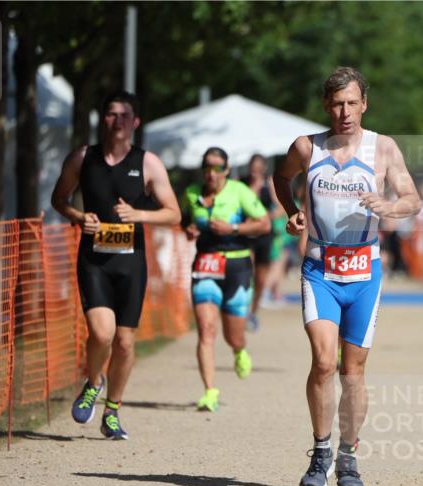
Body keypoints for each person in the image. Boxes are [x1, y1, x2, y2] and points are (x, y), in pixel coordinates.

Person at [273, 66, 420, 486]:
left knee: (352, 372)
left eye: (352, 103)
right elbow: (283, 179)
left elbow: (412, 199)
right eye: (337, 104)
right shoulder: (306, 147)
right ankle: (321, 453)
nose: (345, 112)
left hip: (364, 272)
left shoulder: (384, 148)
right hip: (320, 269)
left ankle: (349, 458)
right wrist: (291, 211)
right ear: (326, 106)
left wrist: (388, 206)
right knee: (323, 362)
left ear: (364, 104)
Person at [51, 90, 182, 440]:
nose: (118, 121)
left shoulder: (148, 163)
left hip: (131, 264)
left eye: (125, 115)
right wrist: (79, 217)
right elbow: (58, 198)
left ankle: (113, 410)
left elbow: (174, 213)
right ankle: (93, 382)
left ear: (135, 122)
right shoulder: (83, 158)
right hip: (94, 260)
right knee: (101, 333)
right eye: (111, 114)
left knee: (124, 342)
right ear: (103, 119)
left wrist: (138, 214)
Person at [182, 147, 270, 412]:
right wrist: (188, 229)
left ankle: (239, 350)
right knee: (206, 329)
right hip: (206, 263)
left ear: (227, 170)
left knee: (234, 335)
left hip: (237, 265)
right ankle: (210, 391)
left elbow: (264, 224)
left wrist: (233, 228)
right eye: (207, 167)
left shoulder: (239, 192)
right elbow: (186, 220)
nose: (212, 173)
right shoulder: (191, 193)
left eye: (218, 167)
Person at [242, 154, 280, 332]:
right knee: (246, 273)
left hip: (264, 236)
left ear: (264, 168)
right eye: (252, 168)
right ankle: (241, 312)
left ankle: (253, 312)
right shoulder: (241, 183)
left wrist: (264, 218)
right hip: (245, 234)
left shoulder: (270, 183)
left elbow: (280, 209)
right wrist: (254, 187)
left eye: (258, 169)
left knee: (260, 280)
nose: (255, 172)